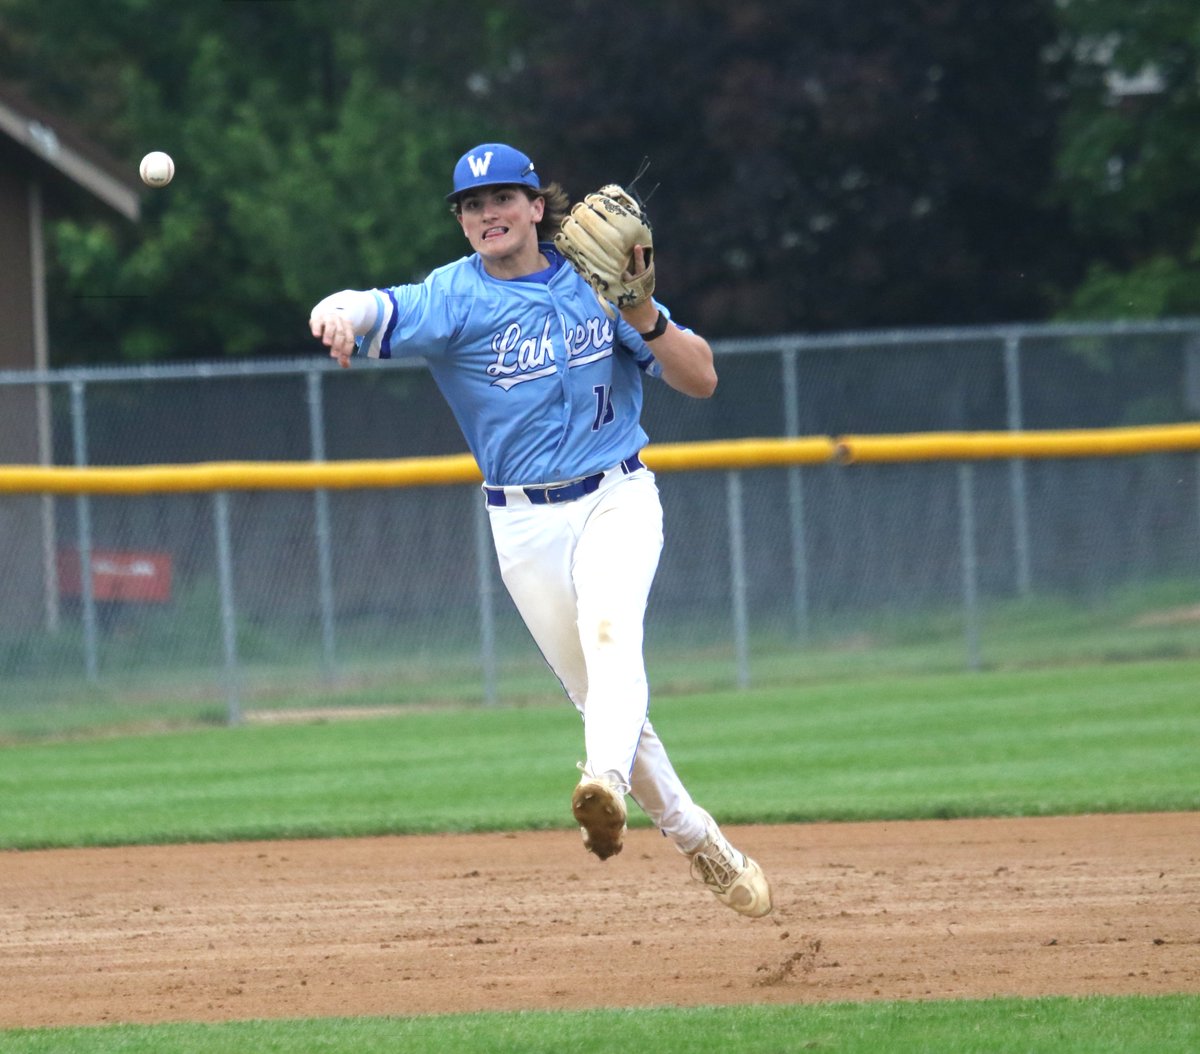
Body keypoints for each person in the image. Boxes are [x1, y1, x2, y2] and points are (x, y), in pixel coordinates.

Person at [308, 142, 772, 918]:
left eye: (502, 198)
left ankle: (602, 782)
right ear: (462, 223)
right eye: (471, 205)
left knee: (611, 634)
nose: (487, 213)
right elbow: (369, 303)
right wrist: (335, 314)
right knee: (603, 698)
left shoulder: (599, 283)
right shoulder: (453, 298)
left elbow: (700, 378)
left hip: (617, 495)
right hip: (522, 524)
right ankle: (700, 840)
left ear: (535, 206)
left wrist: (642, 310)